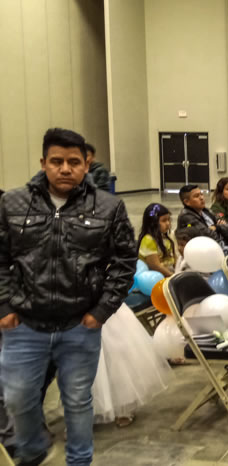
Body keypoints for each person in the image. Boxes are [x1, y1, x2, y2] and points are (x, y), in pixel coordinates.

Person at [0, 128, 136, 466]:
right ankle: (33, 448)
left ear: (86, 165)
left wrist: (101, 310)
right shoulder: (12, 203)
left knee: (77, 401)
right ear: (43, 162)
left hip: (79, 324)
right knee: (17, 398)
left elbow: (124, 261)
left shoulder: (108, 206)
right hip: (24, 324)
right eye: (57, 161)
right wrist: (4, 305)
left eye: (73, 162)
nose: (65, 169)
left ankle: (79, 460)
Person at [137, 203, 176, 277]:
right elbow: (155, 266)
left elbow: (174, 259)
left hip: (169, 274)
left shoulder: (167, 238)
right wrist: (173, 276)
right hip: (156, 277)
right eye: (164, 220)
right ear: (153, 223)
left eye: (169, 219)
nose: (168, 223)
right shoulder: (148, 240)